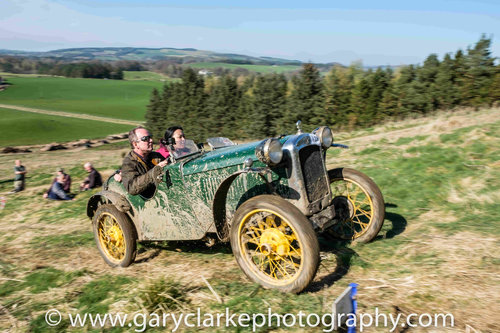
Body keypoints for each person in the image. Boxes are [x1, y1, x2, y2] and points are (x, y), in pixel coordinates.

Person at [122, 126, 168, 196]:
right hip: (147, 202)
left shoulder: (156, 156)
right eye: (145, 139)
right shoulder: (129, 163)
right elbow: (131, 188)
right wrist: (154, 172)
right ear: (135, 144)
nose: (151, 140)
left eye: (150, 137)